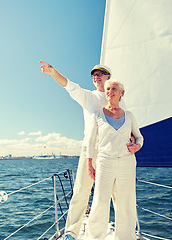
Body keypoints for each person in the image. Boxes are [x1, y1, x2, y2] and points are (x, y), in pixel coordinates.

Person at [40, 61, 132, 240]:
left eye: (100, 73)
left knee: (117, 194)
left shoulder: (119, 100)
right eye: (94, 75)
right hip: (89, 150)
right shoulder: (88, 97)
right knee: (81, 191)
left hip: (114, 152)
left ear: (109, 77)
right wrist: (53, 73)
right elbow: (69, 85)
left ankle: (124, 234)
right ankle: (71, 233)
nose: (96, 76)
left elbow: (127, 125)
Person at [85, 79, 143, 240]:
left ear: (121, 93)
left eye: (114, 89)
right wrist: (90, 165)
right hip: (105, 162)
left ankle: (126, 237)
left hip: (127, 163)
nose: (110, 91)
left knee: (126, 202)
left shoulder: (129, 116)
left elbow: (139, 137)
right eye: (108, 89)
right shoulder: (98, 115)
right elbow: (90, 142)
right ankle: (95, 237)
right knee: (100, 202)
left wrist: (137, 146)